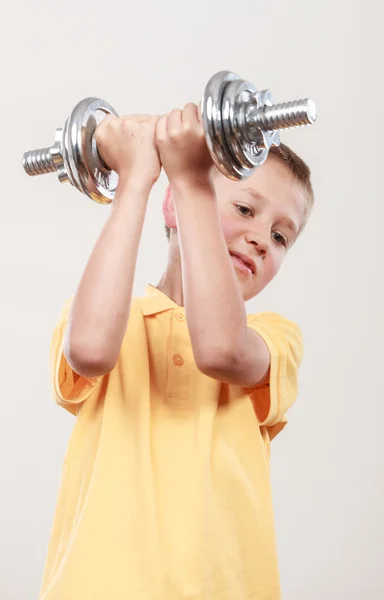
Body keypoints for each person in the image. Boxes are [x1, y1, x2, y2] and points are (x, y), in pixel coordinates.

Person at [39, 103, 314, 600]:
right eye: (245, 209)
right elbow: (89, 350)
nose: (259, 239)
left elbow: (221, 349)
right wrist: (135, 180)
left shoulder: (274, 339)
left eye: (280, 237)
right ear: (173, 208)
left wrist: (191, 181)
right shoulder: (102, 316)